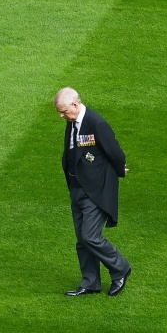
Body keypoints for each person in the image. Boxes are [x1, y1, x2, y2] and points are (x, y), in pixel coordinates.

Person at [54, 87, 132, 297]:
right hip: (76, 188)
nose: (61, 116)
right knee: (82, 239)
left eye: (64, 111)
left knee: (90, 236)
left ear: (75, 104)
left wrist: (118, 171)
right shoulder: (72, 123)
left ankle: (121, 268)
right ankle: (90, 282)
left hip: (95, 190)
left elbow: (116, 153)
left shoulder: (97, 123)